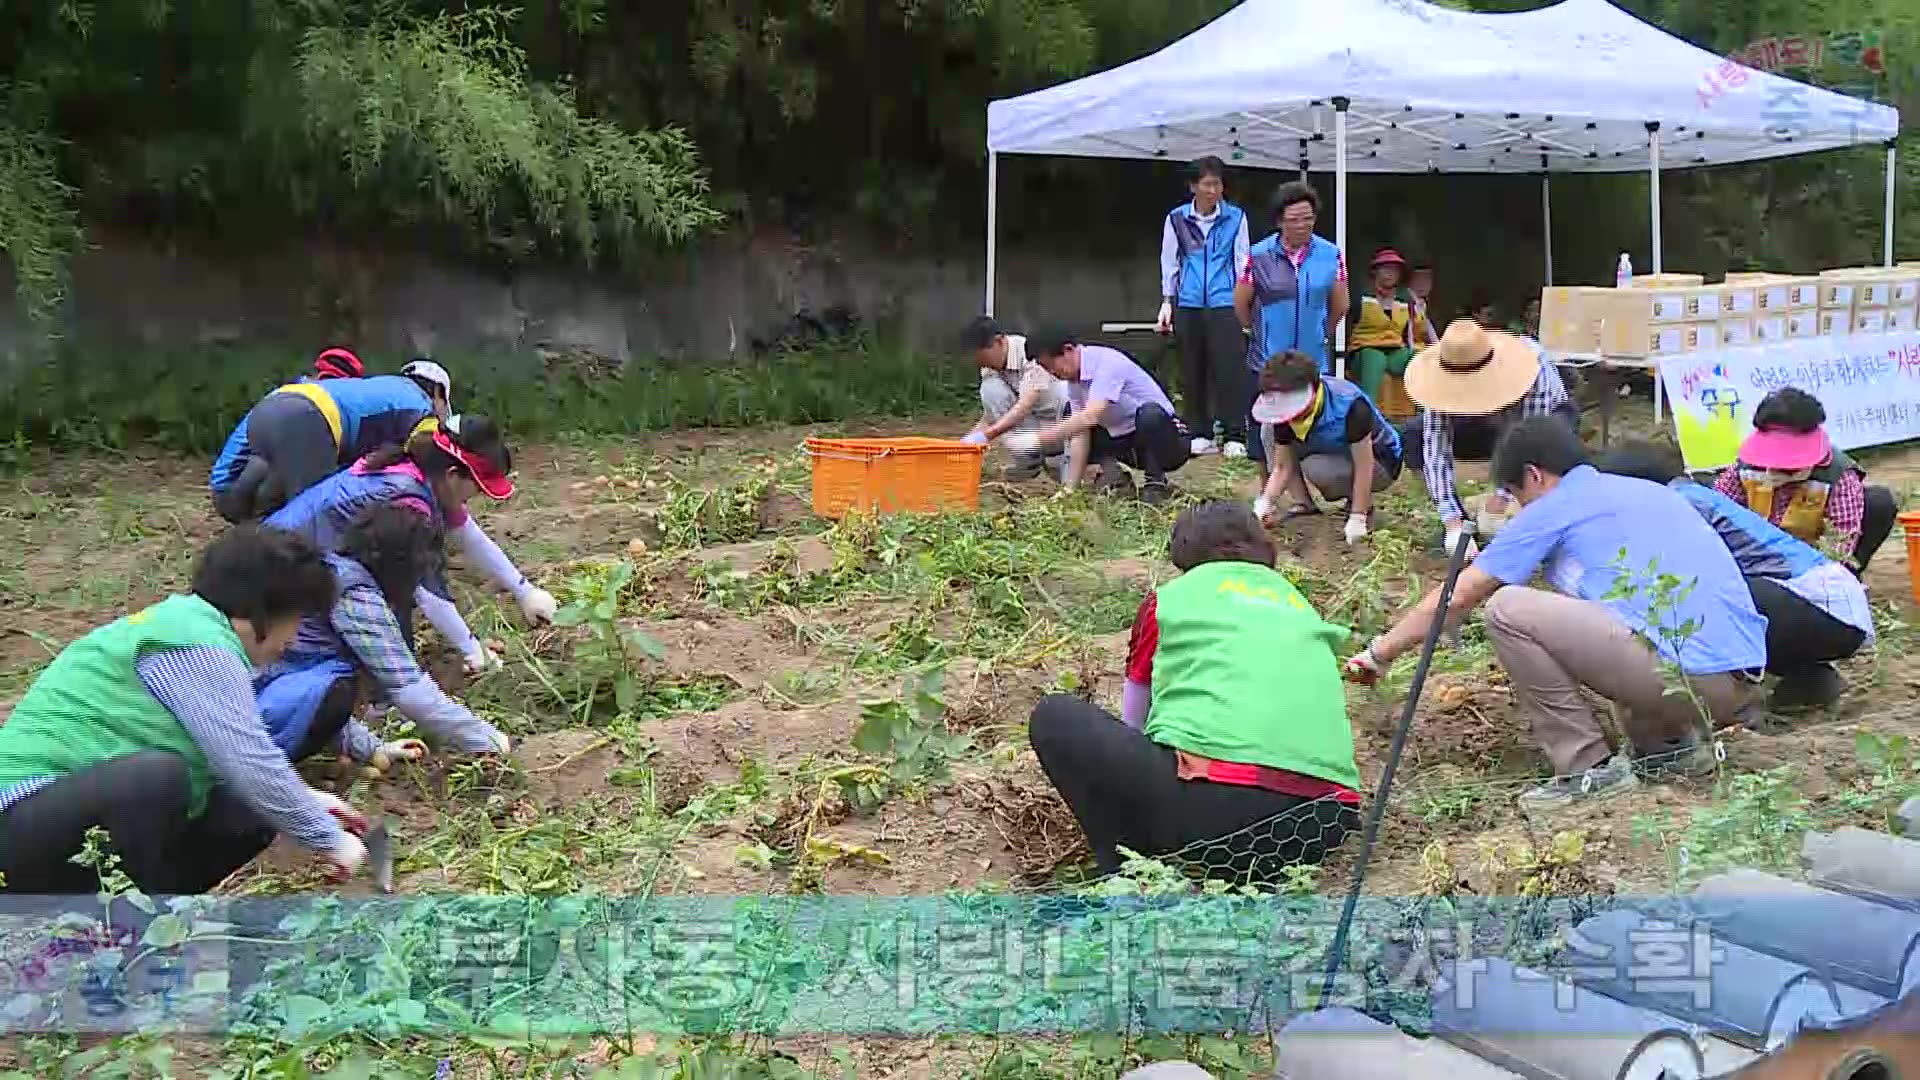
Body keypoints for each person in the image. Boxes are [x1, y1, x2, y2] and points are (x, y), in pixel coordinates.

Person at [1344, 418, 1768, 811]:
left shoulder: (1558, 505)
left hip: (1692, 676)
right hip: (1740, 676)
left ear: (1534, 475)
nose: (1519, 507)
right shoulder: (1646, 491)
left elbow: (1458, 596)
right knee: (1612, 618)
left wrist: (1379, 653)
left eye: (1517, 495)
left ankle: (1588, 770)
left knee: (1508, 609)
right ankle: (1671, 750)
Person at [0, 527, 372, 895]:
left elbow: (240, 770)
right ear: (263, 610)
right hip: (16, 822)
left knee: (247, 811)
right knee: (157, 778)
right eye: (296, 619)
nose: (292, 639)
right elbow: (249, 761)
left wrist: (304, 802)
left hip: (59, 822)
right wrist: (330, 840)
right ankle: (136, 931)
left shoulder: (196, 632)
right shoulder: (193, 642)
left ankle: (150, 919)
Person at [1028, 501, 1360, 882]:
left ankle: (1126, 872)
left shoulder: (1171, 600)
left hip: (1218, 813)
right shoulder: (1298, 604)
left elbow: (1137, 707)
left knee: (1056, 717)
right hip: (1325, 820)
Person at [265, 414, 555, 675]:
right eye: (478, 487)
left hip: (294, 558)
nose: (478, 496)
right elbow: (426, 589)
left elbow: (471, 536)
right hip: (278, 575)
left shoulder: (424, 475)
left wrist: (525, 591)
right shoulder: (406, 500)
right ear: (454, 476)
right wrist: (472, 649)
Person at [1597, 442, 1873, 711]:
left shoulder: (1678, 503)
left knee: (1701, 595)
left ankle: (1738, 700)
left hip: (1823, 605)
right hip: (1829, 607)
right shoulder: (1688, 494)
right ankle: (1809, 679)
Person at [255, 503, 512, 766]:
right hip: (252, 710)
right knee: (338, 689)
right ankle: (263, 769)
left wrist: (371, 749)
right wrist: (489, 740)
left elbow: (302, 680)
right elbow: (409, 691)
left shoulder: (337, 572)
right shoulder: (356, 595)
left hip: (261, 696)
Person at [210, 358, 456, 524]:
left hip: (273, 406)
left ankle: (257, 536)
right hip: (310, 419)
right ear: (437, 394)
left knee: (284, 493)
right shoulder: (421, 406)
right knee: (314, 513)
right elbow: (431, 462)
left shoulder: (382, 389)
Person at [1406, 318, 1576, 555]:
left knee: (1548, 461)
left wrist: (1503, 496)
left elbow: (1528, 444)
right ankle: (1465, 526)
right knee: (1414, 434)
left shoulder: (1532, 368)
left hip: (1543, 422)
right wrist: (1452, 521)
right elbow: (1436, 447)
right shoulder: (1438, 381)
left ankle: (1545, 522)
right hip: (1483, 423)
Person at [1711, 388, 1898, 576]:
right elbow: (1716, 511)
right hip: (1754, 558)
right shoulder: (1743, 469)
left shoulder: (1838, 474)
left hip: (1811, 561)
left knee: (1878, 502)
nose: (1771, 471)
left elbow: (1841, 539)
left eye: (1785, 468)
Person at [1235, 182, 1349, 476]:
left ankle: (1305, 492)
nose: (1302, 225)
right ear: (1279, 221)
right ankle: (1266, 492)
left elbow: (1340, 303)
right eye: (1294, 219)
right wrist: (1254, 331)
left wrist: (1325, 330)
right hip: (1269, 357)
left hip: (1313, 357)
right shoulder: (1258, 255)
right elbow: (1242, 302)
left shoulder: (1331, 254)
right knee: (1265, 430)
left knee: (1312, 425)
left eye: (1308, 218)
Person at [1015, 330, 1191, 505]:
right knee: (1076, 423)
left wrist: (1039, 438)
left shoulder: (1108, 363)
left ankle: (1156, 485)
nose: (1051, 372)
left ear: (1068, 350)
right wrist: (1070, 489)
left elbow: (1090, 417)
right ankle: (1115, 479)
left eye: (1050, 365)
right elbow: (1080, 432)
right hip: (1128, 443)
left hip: (1168, 441)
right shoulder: (1075, 383)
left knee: (1150, 414)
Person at [1251, 350, 1402, 546]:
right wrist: (1265, 503)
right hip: (1330, 449)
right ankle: (1304, 504)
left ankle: (1361, 505)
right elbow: (1282, 466)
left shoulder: (1350, 406)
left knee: (1319, 468)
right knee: (1268, 431)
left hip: (1381, 463)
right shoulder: (1283, 415)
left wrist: (1358, 517)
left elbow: (1365, 466)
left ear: (1313, 390)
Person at [1156, 156, 1251, 458]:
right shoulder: (1177, 219)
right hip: (1189, 301)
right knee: (1192, 368)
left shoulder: (1236, 218)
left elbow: (1242, 261)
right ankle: (1200, 431)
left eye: (1218, 184)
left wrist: (1243, 301)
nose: (1214, 190)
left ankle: (1235, 432)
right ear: (1193, 186)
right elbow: (1169, 262)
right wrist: (1167, 301)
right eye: (1207, 184)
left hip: (1226, 301)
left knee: (1229, 368)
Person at [957, 316, 1068, 481]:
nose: (980, 364)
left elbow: (1024, 406)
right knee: (990, 388)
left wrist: (987, 435)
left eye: (982, 357)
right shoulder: (992, 368)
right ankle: (1028, 463)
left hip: (1060, 421)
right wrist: (962, 447)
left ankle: (1058, 458)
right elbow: (993, 414)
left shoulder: (1030, 354)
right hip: (1033, 423)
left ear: (999, 341)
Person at [1348, 248, 1419, 403]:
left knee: (1421, 358)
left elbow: (1408, 334)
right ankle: (1371, 416)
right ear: (1375, 272)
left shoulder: (1405, 300)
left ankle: (1424, 414)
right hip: (1364, 351)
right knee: (1375, 358)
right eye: (1385, 269)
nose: (1390, 273)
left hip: (1394, 352)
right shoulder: (1361, 297)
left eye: (1395, 270)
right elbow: (1346, 327)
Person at [1408, 262, 1439, 346]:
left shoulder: (1423, 304)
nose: (1422, 284)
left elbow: (1429, 328)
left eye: (1426, 280)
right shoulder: (1406, 303)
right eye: (1418, 280)